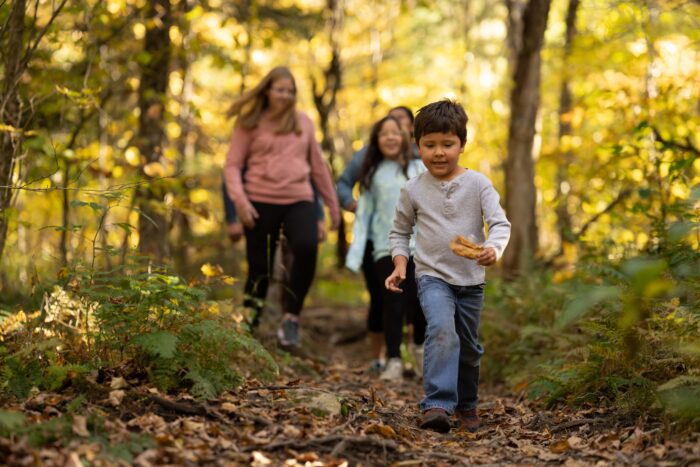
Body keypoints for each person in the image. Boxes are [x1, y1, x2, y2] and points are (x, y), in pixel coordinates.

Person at [385, 99, 511, 433]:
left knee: (468, 347)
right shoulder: (412, 189)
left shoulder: (479, 184)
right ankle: (437, 404)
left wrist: (493, 248)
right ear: (417, 146)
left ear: (462, 145)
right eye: (430, 145)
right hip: (432, 276)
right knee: (442, 331)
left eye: (447, 144)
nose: (438, 153)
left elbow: (500, 224)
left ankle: (467, 404)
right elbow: (399, 231)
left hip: (471, 279)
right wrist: (400, 265)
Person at [224, 66, 340, 348]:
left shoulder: (303, 122)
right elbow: (232, 165)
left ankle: (291, 319)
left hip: (298, 198)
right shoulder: (249, 122)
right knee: (260, 268)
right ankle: (249, 325)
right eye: (280, 90)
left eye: (290, 91)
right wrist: (239, 201)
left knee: (307, 246)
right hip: (259, 201)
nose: (286, 96)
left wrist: (331, 205)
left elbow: (317, 167)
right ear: (267, 91)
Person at [337, 106, 426, 374]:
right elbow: (363, 216)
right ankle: (394, 361)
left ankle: (421, 352)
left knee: (420, 302)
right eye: (383, 134)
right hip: (384, 248)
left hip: (419, 247)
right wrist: (354, 256)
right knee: (392, 304)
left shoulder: (420, 166)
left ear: (406, 136)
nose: (390, 138)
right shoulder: (372, 173)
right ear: (376, 140)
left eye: (395, 132)